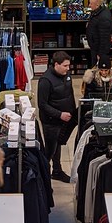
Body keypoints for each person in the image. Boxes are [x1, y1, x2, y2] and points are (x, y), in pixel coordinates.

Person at [36, 50, 76, 182]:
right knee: (50, 149)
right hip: (51, 122)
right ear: (56, 64)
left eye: (68, 65)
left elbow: (70, 94)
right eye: (65, 66)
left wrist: (73, 112)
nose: (68, 68)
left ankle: (57, 171)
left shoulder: (66, 75)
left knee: (58, 145)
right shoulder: (45, 81)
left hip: (65, 120)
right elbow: (42, 104)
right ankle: (42, 175)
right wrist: (59, 115)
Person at [86, 0, 112, 66]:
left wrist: (100, 54)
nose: (89, 5)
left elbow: (104, 37)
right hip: (95, 47)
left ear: (97, 5)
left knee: (98, 69)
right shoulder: (97, 12)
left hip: (99, 50)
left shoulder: (104, 16)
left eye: (91, 3)